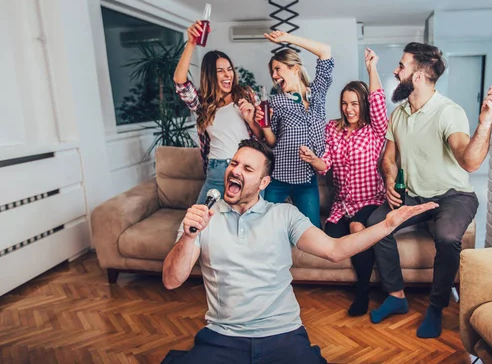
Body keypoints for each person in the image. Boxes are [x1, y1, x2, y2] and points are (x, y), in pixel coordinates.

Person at [162, 139, 438, 364]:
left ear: (263, 183)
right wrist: (187, 238)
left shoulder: (284, 215)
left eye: (248, 168)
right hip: (223, 335)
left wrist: (387, 225)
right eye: (234, 163)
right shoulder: (202, 218)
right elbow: (172, 281)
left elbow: (334, 249)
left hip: (282, 334)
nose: (235, 170)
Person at [366, 42, 492, 339]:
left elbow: (469, 161)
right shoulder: (398, 114)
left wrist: (485, 123)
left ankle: (436, 307)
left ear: (419, 76)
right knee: (376, 225)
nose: (396, 72)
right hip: (413, 194)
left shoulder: (448, 112)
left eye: (401, 66)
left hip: (451, 195)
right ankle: (396, 297)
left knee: (447, 237)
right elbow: (388, 158)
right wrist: (389, 178)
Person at [299, 48, 387, 316]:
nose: (349, 109)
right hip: (342, 204)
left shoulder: (375, 129)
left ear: (364, 104)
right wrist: (314, 160)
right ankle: (352, 227)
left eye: (355, 103)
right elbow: (326, 163)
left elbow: (379, 101)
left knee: (358, 227)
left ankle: (362, 293)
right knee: (331, 238)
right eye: (345, 103)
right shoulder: (332, 129)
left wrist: (372, 69)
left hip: (371, 200)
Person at [174, 20, 263, 204]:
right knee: (198, 225)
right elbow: (180, 82)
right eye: (220, 71)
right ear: (210, 75)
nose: (228, 75)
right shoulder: (202, 104)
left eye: (229, 70)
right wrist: (191, 43)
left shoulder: (246, 95)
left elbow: (262, 136)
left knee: (247, 223)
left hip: (245, 168)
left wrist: (251, 120)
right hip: (216, 169)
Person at [257, 30, 334, 227]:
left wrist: (288, 39)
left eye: (278, 69)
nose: (274, 76)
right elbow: (272, 141)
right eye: (272, 72)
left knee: (313, 230)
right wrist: (264, 125)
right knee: (265, 226)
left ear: (295, 69)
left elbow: (325, 51)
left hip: (306, 179)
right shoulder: (278, 101)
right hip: (278, 178)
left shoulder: (317, 94)